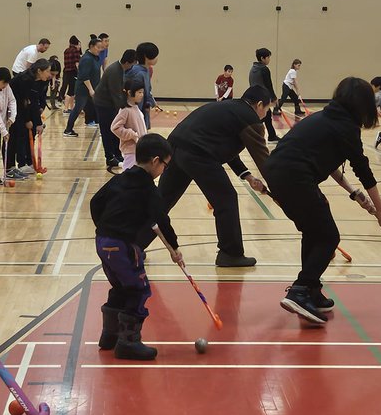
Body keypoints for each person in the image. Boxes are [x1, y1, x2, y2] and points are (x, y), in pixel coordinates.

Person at [266, 77, 381, 325]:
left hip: (277, 173)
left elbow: (328, 161)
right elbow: (364, 171)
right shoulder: (346, 128)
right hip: (295, 177)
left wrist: (354, 193)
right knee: (328, 237)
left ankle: (311, 289)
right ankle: (300, 290)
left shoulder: (324, 118)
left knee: (313, 232)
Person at [90, 132, 183, 361]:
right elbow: (163, 220)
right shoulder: (149, 189)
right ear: (155, 161)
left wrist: (104, 227)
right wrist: (175, 247)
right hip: (122, 246)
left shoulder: (120, 178)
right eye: (165, 165)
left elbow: (95, 202)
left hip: (102, 242)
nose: (164, 170)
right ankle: (128, 343)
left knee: (121, 287)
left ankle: (109, 336)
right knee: (138, 289)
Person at [157, 86, 271, 268]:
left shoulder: (231, 108)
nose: (265, 114)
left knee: (160, 203)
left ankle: (132, 245)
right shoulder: (250, 118)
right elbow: (264, 160)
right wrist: (282, 187)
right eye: (267, 109)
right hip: (198, 153)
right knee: (226, 198)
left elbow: (223, 146)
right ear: (259, 105)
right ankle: (230, 254)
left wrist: (248, 176)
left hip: (175, 148)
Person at [94, 49, 137, 173]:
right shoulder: (114, 71)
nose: (133, 66)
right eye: (133, 63)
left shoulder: (119, 69)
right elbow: (116, 94)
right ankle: (110, 157)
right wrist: (125, 110)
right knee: (107, 131)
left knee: (114, 132)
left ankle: (117, 154)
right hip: (103, 104)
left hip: (110, 104)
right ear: (128, 62)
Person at [10, 58, 51, 177]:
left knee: (30, 134)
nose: (49, 74)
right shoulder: (25, 80)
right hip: (13, 108)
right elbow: (23, 103)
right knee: (20, 135)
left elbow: (33, 102)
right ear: (39, 71)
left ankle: (29, 162)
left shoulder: (37, 81)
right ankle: (20, 165)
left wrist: (37, 122)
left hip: (22, 107)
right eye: (47, 71)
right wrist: (27, 120)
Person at [63, 37, 103, 138]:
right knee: (78, 108)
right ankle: (68, 130)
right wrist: (91, 90)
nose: (100, 49)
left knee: (96, 107)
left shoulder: (95, 57)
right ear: (91, 46)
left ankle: (96, 125)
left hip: (91, 89)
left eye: (101, 47)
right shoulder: (86, 59)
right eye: (98, 47)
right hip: (83, 90)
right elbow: (85, 76)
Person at [111, 77, 146, 170]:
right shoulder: (125, 110)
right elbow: (115, 127)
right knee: (129, 175)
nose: (142, 95)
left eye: (142, 92)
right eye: (139, 92)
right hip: (131, 151)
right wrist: (132, 134)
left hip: (138, 149)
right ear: (130, 93)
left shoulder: (135, 107)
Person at [249, 47, 279, 141]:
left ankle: (271, 135)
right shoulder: (264, 69)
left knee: (267, 116)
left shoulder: (253, 68)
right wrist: (274, 98)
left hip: (254, 95)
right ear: (262, 58)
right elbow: (269, 85)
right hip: (262, 96)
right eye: (268, 57)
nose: (269, 59)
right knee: (262, 117)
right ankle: (253, 134)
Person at [133, 41, 162, 130]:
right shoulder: (138, 73)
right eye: (154, 55)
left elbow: (148, 89)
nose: (156, 58)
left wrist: (151, 102)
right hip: (137, 108)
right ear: (146, 56)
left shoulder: (147, 70)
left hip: (143, 107)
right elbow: (136, 95)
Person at [60, 35, 82, 106]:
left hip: (66, 71)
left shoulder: (66, 50)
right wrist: (80, 72)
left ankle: (70, 107)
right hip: (73, 72)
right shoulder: (75, 51)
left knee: (67, 88)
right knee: (71, 90)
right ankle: (67, 108)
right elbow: (77, 63)